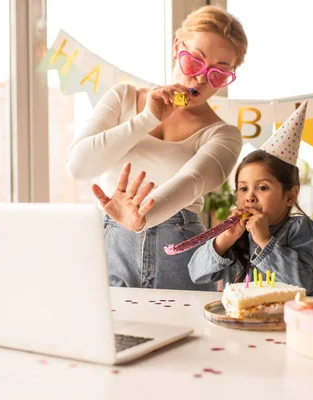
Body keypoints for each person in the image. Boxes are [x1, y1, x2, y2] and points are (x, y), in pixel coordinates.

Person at [66, 6, 248, 291]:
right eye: (195, 62)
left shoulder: (224, 134)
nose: (201, 78)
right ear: (177, 47)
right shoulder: (123, 98)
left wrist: (140, 218)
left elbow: (191, 181)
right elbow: (79, 166)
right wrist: (147, 118)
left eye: (218, 74)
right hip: (113, 251)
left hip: (181, 259)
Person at [188, 102, 313, 295]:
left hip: (287, 323)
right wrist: (226, 238)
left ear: (290, 195)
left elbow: (304, 282)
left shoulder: (300, 228)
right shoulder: (235, 234)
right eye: (243, 188)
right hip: (239, 321)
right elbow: (196, 273)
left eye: (262, 187)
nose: (250, 196)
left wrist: (264, 241)